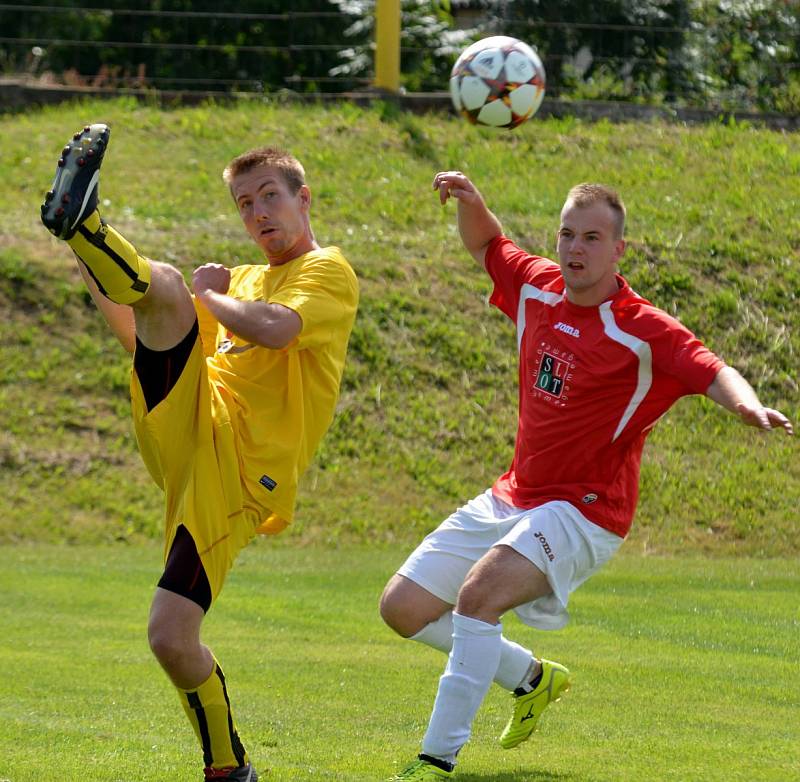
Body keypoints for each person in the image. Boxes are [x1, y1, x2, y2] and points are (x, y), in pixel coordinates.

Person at [379, 171, 793, 780]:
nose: (576, 248)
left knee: (476, 599)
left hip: (586, 510)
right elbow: (487, 245)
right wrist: (473, 202)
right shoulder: (538, 287)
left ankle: (435, 761)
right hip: (514, 493)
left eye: (592, 238)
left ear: (618, 249)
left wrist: (746, 406)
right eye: (568, 234)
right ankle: (530, 678)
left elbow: (711, 368)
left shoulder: (643, 328)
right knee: (402, 608)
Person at [40, 123, 359, 781]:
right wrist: (85, 256)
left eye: (269, 195)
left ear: (305, 199)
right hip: (192, 424)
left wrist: (210, 295)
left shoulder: (327, 271)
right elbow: (148, 333)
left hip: (241, 473)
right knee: (157, 287)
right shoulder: (238, 278)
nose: (258, 212)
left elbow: (276, 330)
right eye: (244, 203)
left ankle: (228, 767)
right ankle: (83, 226)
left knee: (170, 638)